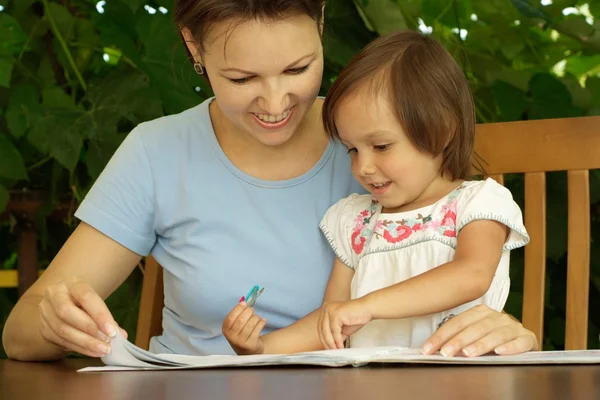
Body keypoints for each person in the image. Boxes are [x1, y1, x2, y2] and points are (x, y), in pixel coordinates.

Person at [2, 1, 537, 362]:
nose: (277, 103)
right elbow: (20, 332)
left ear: (322, 23)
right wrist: (58, 319)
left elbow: (460, 267)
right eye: (242, 79)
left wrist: (513, 336)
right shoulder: (158, 151)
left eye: (298, 68)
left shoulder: (386, 136)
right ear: (194, 46)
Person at [222, 30, 531, 357]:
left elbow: (472, 275)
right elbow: (332, 320)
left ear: (442, 131)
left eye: (381, 146)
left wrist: (367, 306)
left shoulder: (477, 203)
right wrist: (260, 347)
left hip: (461, 383)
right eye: (352, 149)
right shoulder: (356, 221)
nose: (363, 167)